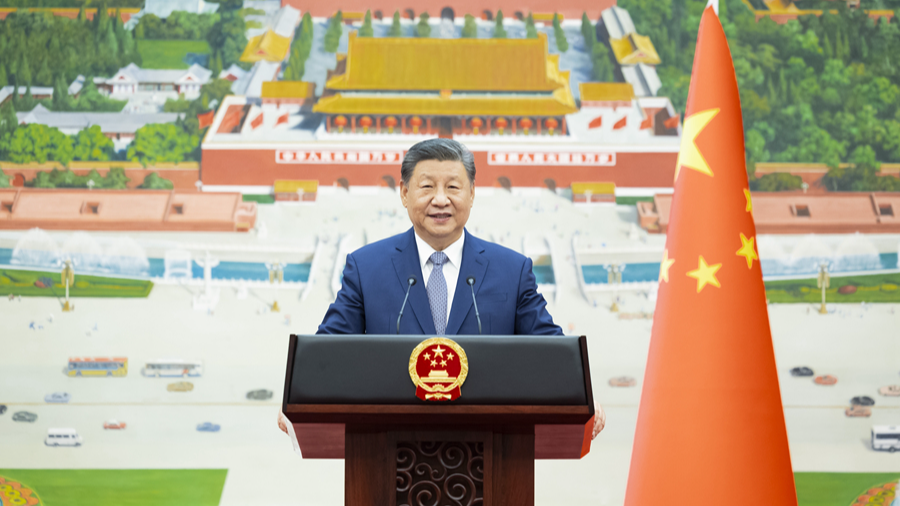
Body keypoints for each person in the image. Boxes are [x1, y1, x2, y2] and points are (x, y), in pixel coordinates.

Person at [299, 138, 605, 439]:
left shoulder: (512, 270)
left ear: (472, 194)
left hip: (492, 450)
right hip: (389, 448)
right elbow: (328, 352)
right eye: (427, 186)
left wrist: (581, 396)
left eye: (454, 187)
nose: (441, 199)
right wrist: (298, 396)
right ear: (404, 193)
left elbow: (550, 352)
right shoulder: (366, 268)